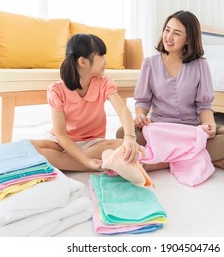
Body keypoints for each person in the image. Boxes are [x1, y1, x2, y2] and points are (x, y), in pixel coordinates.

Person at [116, 10, 224, 172]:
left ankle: (163, 160)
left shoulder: (200, 65)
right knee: (123, 133)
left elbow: (204, 106)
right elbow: (143, 101)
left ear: (188, 39)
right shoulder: (150, 63)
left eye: (176, 33)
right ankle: (199, 157)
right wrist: (141, 115)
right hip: (160, 130)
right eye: (167, 30)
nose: (168, 37)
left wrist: (209, 124)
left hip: (190, 131)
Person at [31, 33, 142, 172]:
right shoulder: (57, 90)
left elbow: (122, 110)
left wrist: (130, 138)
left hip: (92, 142)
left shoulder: (104, 83)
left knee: (121, 145)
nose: (105, 62)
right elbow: (61, 135)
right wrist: (87, 161)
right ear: (83, 62)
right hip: (62, 143)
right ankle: (74, 163)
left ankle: (60, 162)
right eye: (101, 56)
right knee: (30, 147)